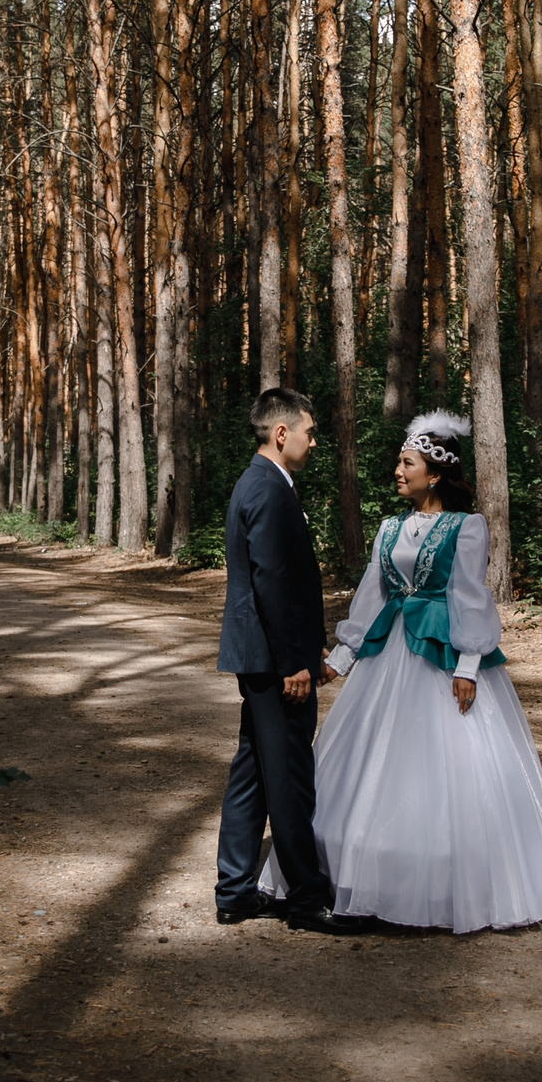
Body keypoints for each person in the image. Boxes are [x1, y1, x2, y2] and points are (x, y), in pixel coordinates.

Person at [266, 410, 542, 933]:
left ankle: (441, 885)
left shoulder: (466, 527)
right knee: (370, 762)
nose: (397, 470)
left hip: (440, 655)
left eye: (407, 462)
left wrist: (468, 664)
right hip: (390, 653)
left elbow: (469, 596)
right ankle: (361, 871)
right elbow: (373, 594)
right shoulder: (389, 527)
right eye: (398, 461)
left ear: (434, 473)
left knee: (447, 768)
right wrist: (340, 657)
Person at [213, 387, 356, 935]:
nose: (312, 440)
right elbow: (272, 584)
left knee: (251, 772)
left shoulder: (260, 482)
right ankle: (306, 900)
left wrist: (310, 640)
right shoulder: (269, 489)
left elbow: (284, 584)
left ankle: (235, 891)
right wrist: (294, 661)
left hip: (264, 655)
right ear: (281, 433)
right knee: (291, 776)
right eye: (309, 431)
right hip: (274, 663)